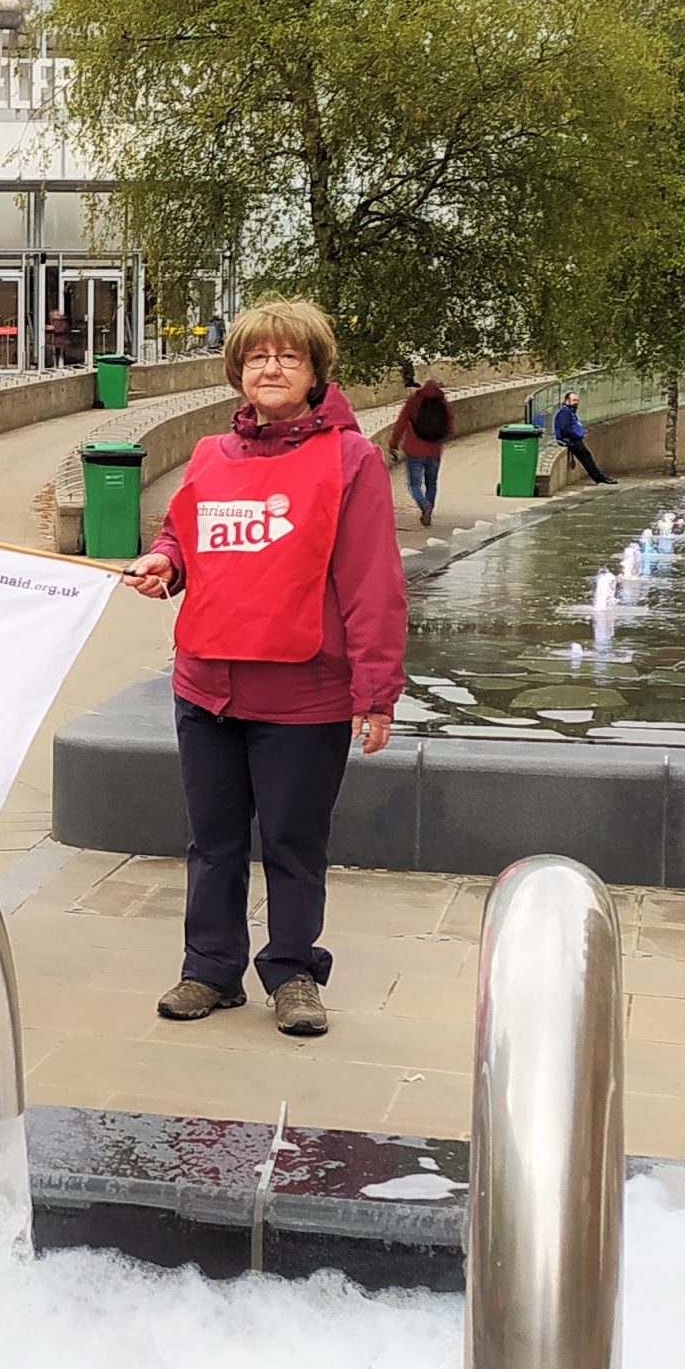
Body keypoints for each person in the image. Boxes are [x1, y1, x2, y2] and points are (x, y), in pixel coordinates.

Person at [124, 297, 406, 1039]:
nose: (271, 367)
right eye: (257, 357)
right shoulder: (211, 456)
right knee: (211, 841)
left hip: (304, 693)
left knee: (292, 842)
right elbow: (182, 534)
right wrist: (165, 563)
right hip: (206, 685)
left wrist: (376, 692)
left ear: (315, 372)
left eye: (288, 356)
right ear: (238, 372)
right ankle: (210, 969)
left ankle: (293, 971)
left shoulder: (352, 460)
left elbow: (375, 583)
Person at [386, 378, 451, 527]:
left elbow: (401, 423)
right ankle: (429, 507)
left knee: (414, 483)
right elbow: (449, 427)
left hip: (414, 449)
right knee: (431, 482)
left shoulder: (414, 401)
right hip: (434, 450)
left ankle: (423, 504)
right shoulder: (443, 404)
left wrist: (393, 444)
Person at [553, 391, 613, 484]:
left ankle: (599, 476)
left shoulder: (570, 411)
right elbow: (565, 428)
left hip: (573, 438)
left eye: (577, 400)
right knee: (586, 457)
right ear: (567, 401)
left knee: (587, 456)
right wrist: (576, 435)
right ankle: (599, 477)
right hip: (571, 439)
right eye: (574, 400)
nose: (576, 402)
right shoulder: (565, 411)